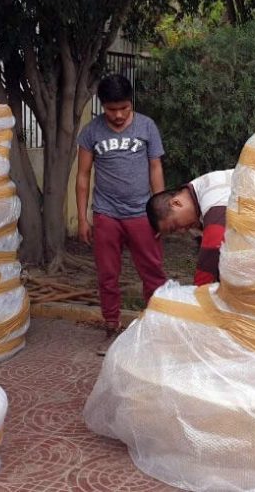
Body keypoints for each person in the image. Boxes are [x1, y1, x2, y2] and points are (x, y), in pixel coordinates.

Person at [76, 74, 167, 356]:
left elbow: (155, 169)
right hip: (106, 214)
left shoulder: (146, 127)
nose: (117, 115)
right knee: (107, 275)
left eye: (124, 108)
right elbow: (82, 175)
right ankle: (111, 326)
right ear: (102, 106)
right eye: (111, 109)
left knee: (152, 272)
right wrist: (82, 217)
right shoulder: (91, 132)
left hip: (142, 212)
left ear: (131, 103)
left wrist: (159, 211)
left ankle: (157, 327)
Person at [146, 169, 233, 286]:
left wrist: (197, 295)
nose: (182, 231)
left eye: (174, 226)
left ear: (176, 203)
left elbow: (213, 247)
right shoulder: (198, 197)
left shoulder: (212, 196)